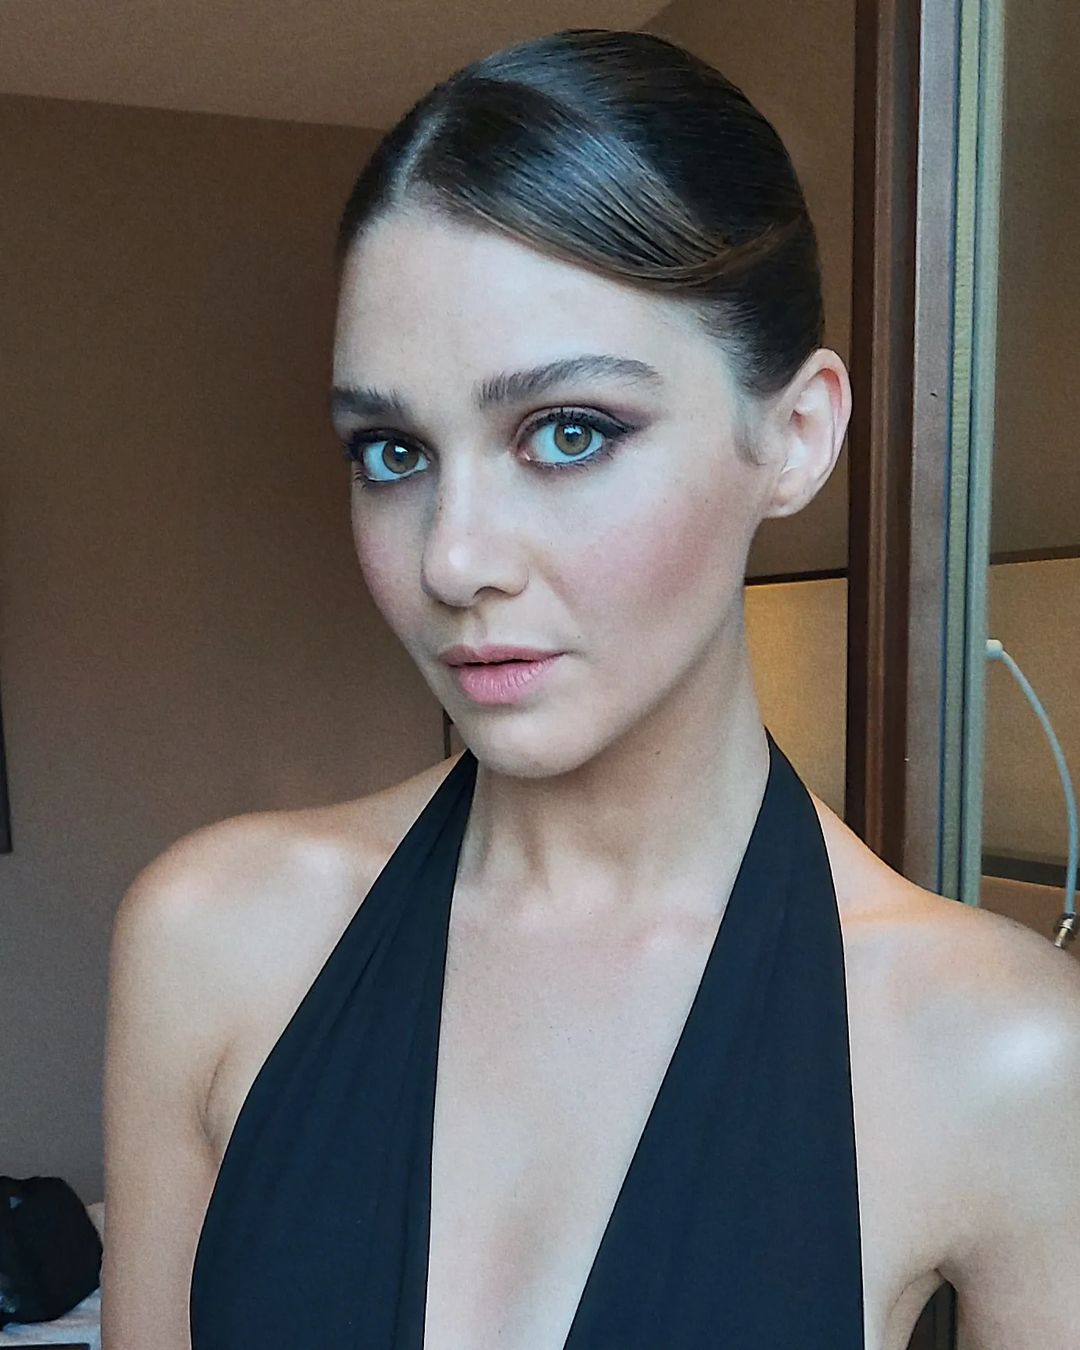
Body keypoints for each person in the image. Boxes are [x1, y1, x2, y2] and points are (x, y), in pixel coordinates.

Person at [101, 27, 1080, 1350]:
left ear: (797, 435)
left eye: (568, 432)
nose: (453, 558)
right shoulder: (214, 937)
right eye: (391, 450)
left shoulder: (1002, 1052)